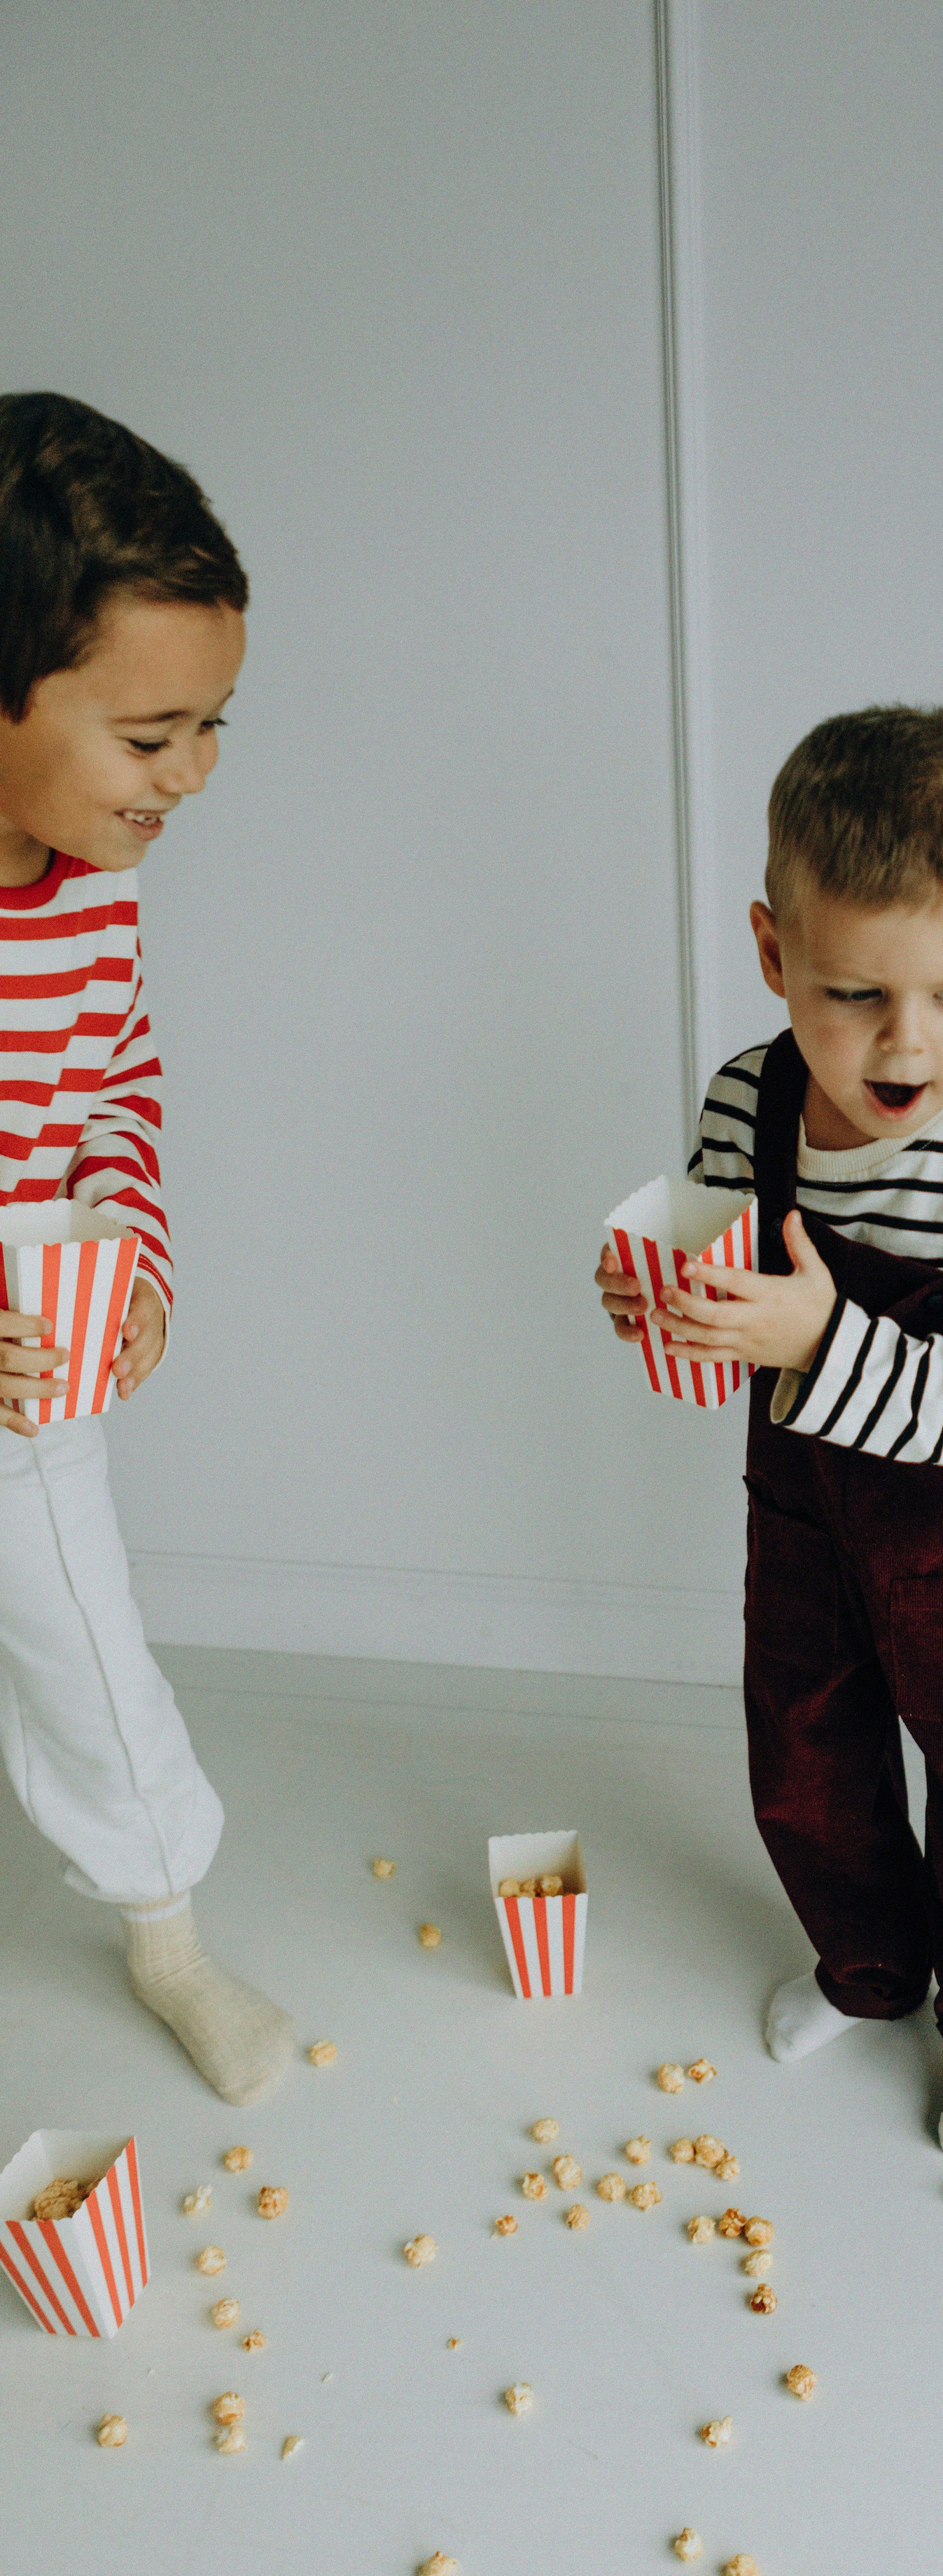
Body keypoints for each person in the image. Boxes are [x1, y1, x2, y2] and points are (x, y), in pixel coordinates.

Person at [599, 705, 943, 2159]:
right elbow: (720, 1274)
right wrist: (660, 1299)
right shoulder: (750, 1105)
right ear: (774, 954)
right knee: (804, 1750)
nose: (906, 1041)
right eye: (853, 994)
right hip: (808, 1507)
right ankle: (868, 1963)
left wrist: (824, 1344)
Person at [0, 393, 291, 2103]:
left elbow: (113, 1077)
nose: (191, 773)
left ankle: (165, 1932)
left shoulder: (93, 890)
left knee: (86, 1646)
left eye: (211, 726)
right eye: (150, 734)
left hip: (30, 1362)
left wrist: (133, 1247)